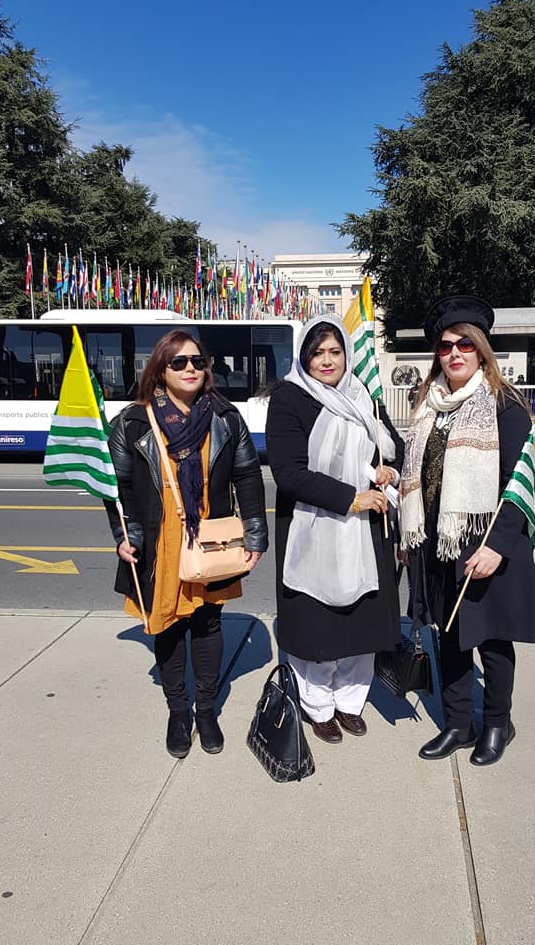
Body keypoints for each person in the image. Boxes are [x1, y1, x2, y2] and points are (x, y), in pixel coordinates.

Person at [105, 331, 267, 759]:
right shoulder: (133, 422)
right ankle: (178, 711)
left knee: (209, 624)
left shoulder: (225, 417)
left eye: (197, 361)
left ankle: (207, 710)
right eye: (179, 362)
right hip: (160, 541)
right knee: (169, 626)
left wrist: (255, 534)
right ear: (160, 370)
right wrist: (124, 536)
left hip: (211, 540)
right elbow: (117, 487)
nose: (191, 368)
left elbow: (248, 476)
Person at [399, 295, 535, 767]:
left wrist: (496, 547)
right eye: (445, 347)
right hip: (439, 543)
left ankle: (498, 722)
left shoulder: (505, 405)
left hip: (484, 543)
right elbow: (415, 468)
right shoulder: (428, 406)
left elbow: (520, 483)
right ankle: (459, 723)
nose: (455, 354)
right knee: (449, 636)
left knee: (493, 641)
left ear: (481, 350)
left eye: (465, 344)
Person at [265, 314, 405, 744]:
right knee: (318, 623)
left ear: (346, 354)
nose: (327, 361)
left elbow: (393, 448)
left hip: (367, 532)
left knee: (362, 625)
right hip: (315, 527)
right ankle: (318, 705)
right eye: (317, 353)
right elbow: (288, 472)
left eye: (334, 351)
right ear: (304, 357)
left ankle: (349, 701)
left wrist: (390, 473)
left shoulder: (363, 396)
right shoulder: (291, 398)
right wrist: (352, 497)